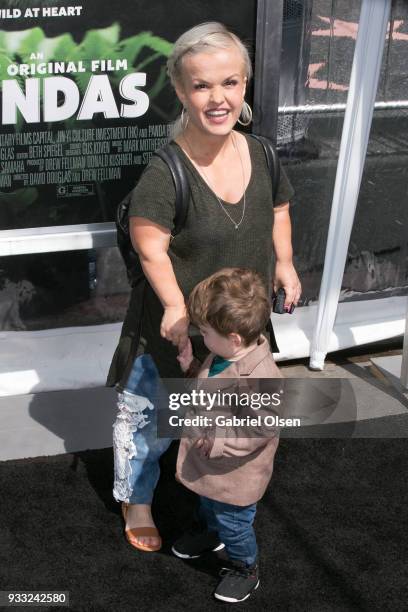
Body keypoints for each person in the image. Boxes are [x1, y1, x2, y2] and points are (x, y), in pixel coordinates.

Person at [107, 21, 301, 552]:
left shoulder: (261, 153)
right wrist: (174, 307)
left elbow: (279, 208)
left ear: (245, 84)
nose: (218, 98)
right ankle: (137, 500)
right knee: (149, 420)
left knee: (221, 415)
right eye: (202, 86)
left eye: (230, 83)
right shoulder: (164, 172)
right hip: (175, 328)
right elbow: (151, 248)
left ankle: (211, 493)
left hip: (235, 329)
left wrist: (284, 262)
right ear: (181, 90)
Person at [173, 267, 282, 603]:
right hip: (211, 463)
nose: (200, 336)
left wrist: (219, 440)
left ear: (233, 336)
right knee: (208, 503)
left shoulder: (262, 376)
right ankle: (209, 533)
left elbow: (262, 426)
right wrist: (192, 368)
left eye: (204, 331)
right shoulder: (223, 353)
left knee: (233, 521)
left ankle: (244, 566)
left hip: (235, 473)